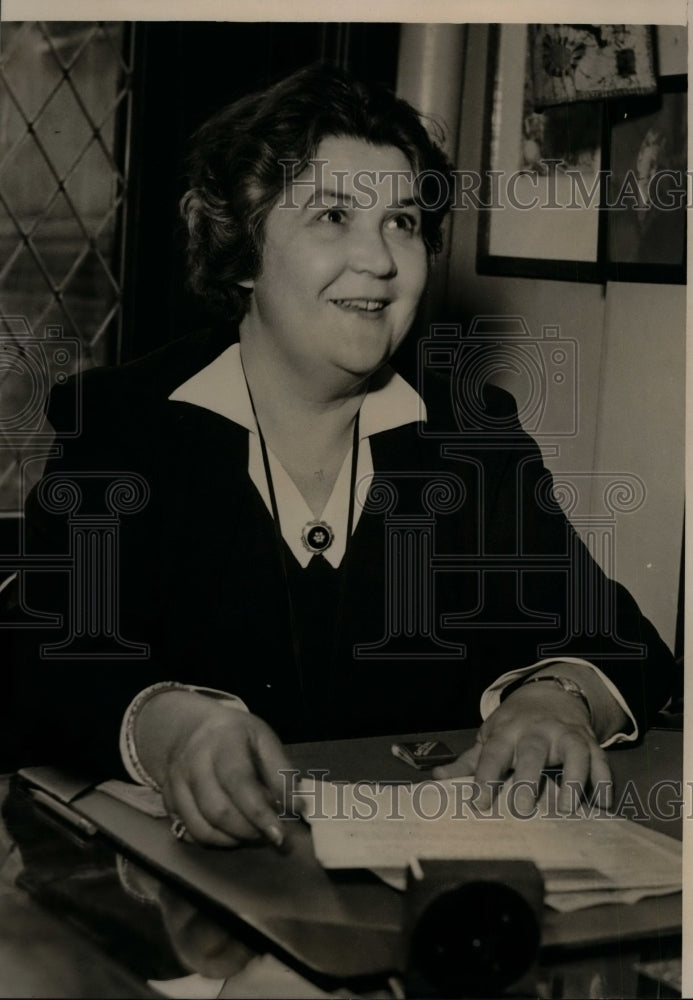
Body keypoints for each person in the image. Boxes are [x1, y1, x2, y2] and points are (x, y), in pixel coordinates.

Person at [11, 64, 674, 848]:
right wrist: (167, 727)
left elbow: (615, 638)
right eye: (332, 215)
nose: (381, 261)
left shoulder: (468, 434)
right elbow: (35, 647)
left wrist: (555, 699)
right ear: (244, 253)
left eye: (401, 222)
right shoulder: (126, 424)